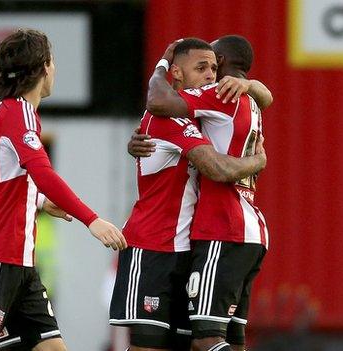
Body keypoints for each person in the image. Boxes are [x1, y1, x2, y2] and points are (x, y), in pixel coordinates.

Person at [0, 29, 127, 351]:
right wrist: (92, 220)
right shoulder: (18, 113)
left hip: (19, 263)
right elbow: (43, 173)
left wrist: (40, 201)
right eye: (54, 62)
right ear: (44, 66)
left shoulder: (3, 111)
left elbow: (1, 177)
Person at [109, 38, 270, 351]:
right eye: (201, 68)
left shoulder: (202, 109)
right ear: (177, 74)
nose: (211, 75)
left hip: (187, 249)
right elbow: (215, 166)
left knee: (200, 343)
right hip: (151, 248)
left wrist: (250, 85)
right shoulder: (169, 116)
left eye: (213, 67)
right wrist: (257, 161)